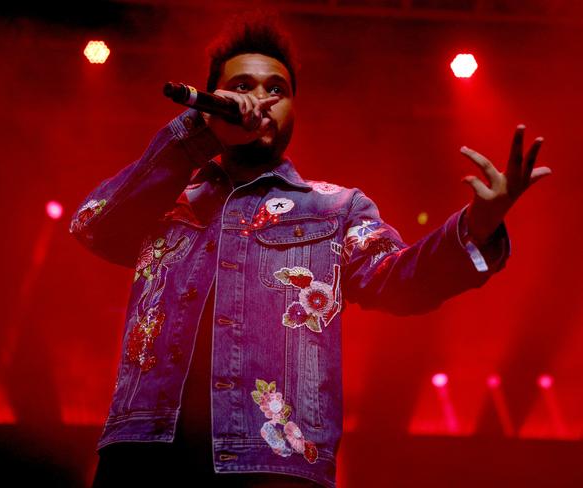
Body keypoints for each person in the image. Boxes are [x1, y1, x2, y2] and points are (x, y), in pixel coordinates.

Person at [69, 11, 552, 488]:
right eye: (242, 86)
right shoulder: (165, 202)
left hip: (273, 462)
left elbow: (401, 280)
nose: (259, 100)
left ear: (293, 109)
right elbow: (94, 226)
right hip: (143, 455)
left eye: (275, 89)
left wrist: (479, 226)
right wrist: (192, 136)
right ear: (213, 102)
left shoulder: (336, 208)